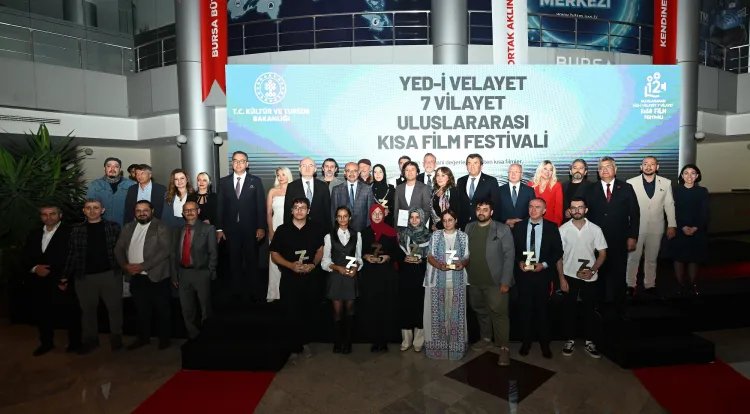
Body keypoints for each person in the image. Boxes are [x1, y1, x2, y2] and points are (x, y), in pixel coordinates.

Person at [581, 156, 639, 319]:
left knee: (619, 274)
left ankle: (620, 307)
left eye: (608, 167)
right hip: (596, 241)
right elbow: (584, 213)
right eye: (601, 167)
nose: (605, 170)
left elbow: (635, 213)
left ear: (615, 169)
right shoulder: (590, 189)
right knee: (598, 274)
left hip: (619, 239)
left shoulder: (626, 188)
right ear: (598, 171)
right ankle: (599, 306)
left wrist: (633, 236)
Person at [64, 199, 123, 354]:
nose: (92, 211)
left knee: (115, 309)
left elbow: (122, 250)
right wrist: (65, 275)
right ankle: (90, 340)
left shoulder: (113, 227)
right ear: (83, 211)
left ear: (102, 210)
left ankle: (116, 337)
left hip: (110, 275)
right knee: (87, 311)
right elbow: (72, 254)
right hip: (84, 277)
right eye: (88, 208)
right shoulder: (76, 230)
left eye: (96, 208)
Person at [270, 198, 325, 362]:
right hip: (290, 278)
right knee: (290, 312)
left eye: (303, 208)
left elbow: (320, 250)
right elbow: (274, 254)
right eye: (296, 207)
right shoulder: (282, 230)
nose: (299, 210)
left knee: (308, 311)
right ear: (291, 210)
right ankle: (293, 347)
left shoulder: (316, 228)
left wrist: (313, 264)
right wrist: (290, 265)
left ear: (308, 211)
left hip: (310, 278)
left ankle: (305, 342)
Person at [23, 205, 80, 356]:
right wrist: (35, 268)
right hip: (40, 281)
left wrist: (65, 277)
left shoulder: (71, 232)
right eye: (44, 214)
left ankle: (75, 343)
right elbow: (26, 256)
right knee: (42, 313)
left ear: (60, 215)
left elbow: (75, 256)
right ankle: (46, 343)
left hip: (63, 279)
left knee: (71, 312)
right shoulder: (34, 234)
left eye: (52, 214)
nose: (48, 217)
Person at [115, 200, 173, 350]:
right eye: (138, 211)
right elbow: (118, 249)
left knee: (161, 310)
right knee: (141, 310)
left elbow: (165, 250)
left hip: (156, 276)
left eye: (145, 210)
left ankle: (164, 339)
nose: (142, 213)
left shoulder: (161, 226)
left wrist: (142, 266)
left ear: (152, 211)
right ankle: (143, 338)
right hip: (135, 276)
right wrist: (125, 265)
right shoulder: (128, 227)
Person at [464, 199, 515, 366]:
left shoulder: (502, 229)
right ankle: (486, 338)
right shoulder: (469, 228)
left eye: (485, 209)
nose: (481, 212)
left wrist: (506, 281)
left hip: (495, 282)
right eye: (479, 209)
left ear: (491, 212)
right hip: (474, 280)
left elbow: (509, 257)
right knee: (480, 311)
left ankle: (504, 348)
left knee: (499, 314)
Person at [512, 198, 563, 359]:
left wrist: (545, 265)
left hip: (542, 276)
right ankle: (526, 342)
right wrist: (519, 262)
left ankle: (545, 344)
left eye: (538, 207)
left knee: (543, 311)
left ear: (544, 210)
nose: (533, 210)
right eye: (531, 207)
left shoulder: (551, 227)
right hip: (524, 276)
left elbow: (558, 251)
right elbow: (512, 249)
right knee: (525, 311)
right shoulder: (519, 226)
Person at [558, 197, 607, 358]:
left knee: (589, 310)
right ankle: (570, 340)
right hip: (569, 275)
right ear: (569, 210)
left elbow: (602, 253)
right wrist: (561, 278)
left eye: (580, 207)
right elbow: (558, 257)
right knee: (569, 309)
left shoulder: (595, 229)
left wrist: (592, 270)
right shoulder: (563, 229)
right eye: (573, 208)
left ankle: (589, 341)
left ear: (586, 210)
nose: (577, 210)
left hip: (589, 277)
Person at [216, 151, 267, 303]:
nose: (238, 164)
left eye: (242, 161)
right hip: (230, 231)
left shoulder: (255, 181)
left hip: (251, 229)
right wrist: (219, 229)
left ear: (247, 163)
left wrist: (261, 227)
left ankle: (254, 292)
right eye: (235, 161)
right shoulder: (223, 182)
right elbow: (220, 207)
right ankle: (236, 292)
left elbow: (261, 206)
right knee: (234, 263)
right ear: (232, 163)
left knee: (252, 262)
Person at [626, 156, 677, 296]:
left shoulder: (666, 183)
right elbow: (627, 207)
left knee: (652, 258)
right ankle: (630, 285)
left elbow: (669, 205)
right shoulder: (631, 183)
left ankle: (649, 284)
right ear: (641, 167)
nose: (648, 167)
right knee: (633, 258)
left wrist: (672, 224)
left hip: (657, 227)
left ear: (657, 167)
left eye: (652, 164)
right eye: (645, 164)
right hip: (636, 228)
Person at [424, 209, 470, 360]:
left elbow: (467, 257)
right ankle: (439, 348)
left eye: (450, 220)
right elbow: (429, 256)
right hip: (438, 280)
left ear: (456, 220)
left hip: (457, 281)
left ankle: (456, 347)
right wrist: (439, 266)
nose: (447, 223)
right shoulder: (436, 235)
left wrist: (462, 264)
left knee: (455, 314)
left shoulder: (463, 236)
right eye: (444, 220)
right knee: (438, 315)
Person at [172, 201, 218, 339]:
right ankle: (193, 335)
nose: (189, 212)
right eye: (186, 210)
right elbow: (173, 254)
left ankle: (207, 336)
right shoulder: (177, 230)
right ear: (183, 213)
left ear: (198, 211)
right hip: (183, 273)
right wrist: (174, 275)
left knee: (205, 307)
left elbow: (213, 252)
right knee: (187, 309)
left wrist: (210, 271)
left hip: (201, 273)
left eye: (192, 209)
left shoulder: (208, 229)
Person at [322, 206, 363, 354]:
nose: (342, 219)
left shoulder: (357, 235)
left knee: (350, 311)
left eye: (345, 216)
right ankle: (337, 342)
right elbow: (325, 261)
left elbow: (358, 257)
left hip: (350, 277)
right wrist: (337, 268)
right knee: (337, 311)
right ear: (336, 218)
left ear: (349, 218)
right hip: (336, 276)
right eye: (339, 216)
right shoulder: (329, 236)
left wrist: (356, 267)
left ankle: (347, 342)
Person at [359, 204, 398, 352]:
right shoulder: (364, 232)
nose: (377, 216)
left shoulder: (391, 232)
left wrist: (388, 256)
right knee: (372, 306)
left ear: (384, 215)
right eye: (374, 213)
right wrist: (365, 256)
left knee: (385, 306)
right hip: (370, 275)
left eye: (379, 213)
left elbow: (396, 252)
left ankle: (384, 340)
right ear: (370, 215)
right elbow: (360, 251)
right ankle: (374, 340)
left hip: (386, 275)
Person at [667, 164, 709, 296]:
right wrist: (682, 226)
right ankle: (679, 284)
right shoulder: (674, 191)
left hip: (697, 229)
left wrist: (696, 227)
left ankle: (692, 284)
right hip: (679, 228)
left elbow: (705, 212)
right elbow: (672, 211)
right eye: (686, 173)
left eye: (692, 173)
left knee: (693, 258)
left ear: (697, 176)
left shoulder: (702, 191)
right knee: (679, 258)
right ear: (681, 176)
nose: (689, 176)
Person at [397, 207, 431, 352]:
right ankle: (406, 339)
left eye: (417, 217)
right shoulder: (402, 234)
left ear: (422, 218)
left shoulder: (429, 236)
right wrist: (403, 259)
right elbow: (397, 255)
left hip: (421, 275)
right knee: (406, 306)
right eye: (412, 217)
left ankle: (419, 340)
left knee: (419, 306)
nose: (414, 220)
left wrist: (421, 260)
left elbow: (432, 257)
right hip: (406, 275)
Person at [266, 167, 293, 302]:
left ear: (288, 175)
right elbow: (268, 213)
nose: (281, 177)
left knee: (289, 260)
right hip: (275, 228)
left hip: (290, 230)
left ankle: (288, 292)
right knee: (274, 261)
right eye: (278, 175)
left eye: (283, 174)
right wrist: (270, 230)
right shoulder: (273, 191)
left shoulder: (294, 190)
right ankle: (273, 293)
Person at [86, 157, 135, 226]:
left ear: (120, 169)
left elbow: (135, 207)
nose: (112, 169)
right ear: (104, 168)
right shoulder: (94, 185)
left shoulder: (130, 184)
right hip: (102, 226)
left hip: (124, 226)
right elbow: (90, 208)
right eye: (109, 166)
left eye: (116, 167)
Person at [284, 158, 331, 229]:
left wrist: (329, 230)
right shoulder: (292, 186)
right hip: (297, 229)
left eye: (310, 165)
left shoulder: (323, 186)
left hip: (319, 229)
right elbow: (287, 210)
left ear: (315, 169)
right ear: (299, 169)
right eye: (304, 165)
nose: (307, 168)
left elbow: (327, 210)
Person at [456, 153, 501, 228]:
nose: (472, 166)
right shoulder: (460, 181)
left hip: (484, 224)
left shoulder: (491, 181)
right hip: (464, 225)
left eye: (475, 163)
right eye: (469, 163)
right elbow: (459, 204)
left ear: (481, 166)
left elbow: (495, 205)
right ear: (466, 166)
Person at [331, 162, 375, 233]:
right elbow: (333, 213)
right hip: (342, 231)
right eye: (348, 171)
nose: (351, 173)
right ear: (344, 173)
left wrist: (368, 231)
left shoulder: (367, 189)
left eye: (354, 171)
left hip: (362, 230)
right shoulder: (336, 190)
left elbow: (370, 213)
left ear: (359, 172)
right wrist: (335, 231)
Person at [394, 161, 432, 230]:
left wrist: (420, 225)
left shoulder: (424, 188)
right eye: (407, 170)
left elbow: (427, 210)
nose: (410, 172)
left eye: (412, 169)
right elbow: (396, 210)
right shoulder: (399, 188)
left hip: (419, 228)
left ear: (417, 172)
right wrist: (396, 229)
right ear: (404, 172)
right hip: (403, 228)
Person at [498, 163, 534, 229]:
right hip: (503, 228)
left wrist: (522, 222)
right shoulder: (499, 190)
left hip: (523, 228)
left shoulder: (529, 191)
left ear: (521, 174)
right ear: (508, 174)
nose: (513, 174)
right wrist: (506, 221)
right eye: (510, 172)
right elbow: (495, 210)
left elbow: (533, 210)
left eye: (516, 172)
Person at [529, 160, 564, 226]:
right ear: (540, 170)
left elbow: (559, 209)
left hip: (550, 223)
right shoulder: (531, 185)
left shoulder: (556, 186)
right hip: (532, 223)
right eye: (545, 169)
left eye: (550, 170)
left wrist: (556, 225)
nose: (548, 172)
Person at [562, 159, 592, 223]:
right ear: (570, 171)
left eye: (581, 168)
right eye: (575, 168)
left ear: (585, 172)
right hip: (566, 224)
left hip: (585, 224)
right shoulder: (562, 186)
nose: (577, 170)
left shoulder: (592, 187)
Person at [430, 166, 460, 231]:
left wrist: (438, 225)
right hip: (435, 228)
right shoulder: (434, 191)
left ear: (449, 178)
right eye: (437, 175)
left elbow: (453, 213)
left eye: (443, 175)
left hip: (448, 227)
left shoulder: (453, 191)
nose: (439, 178)